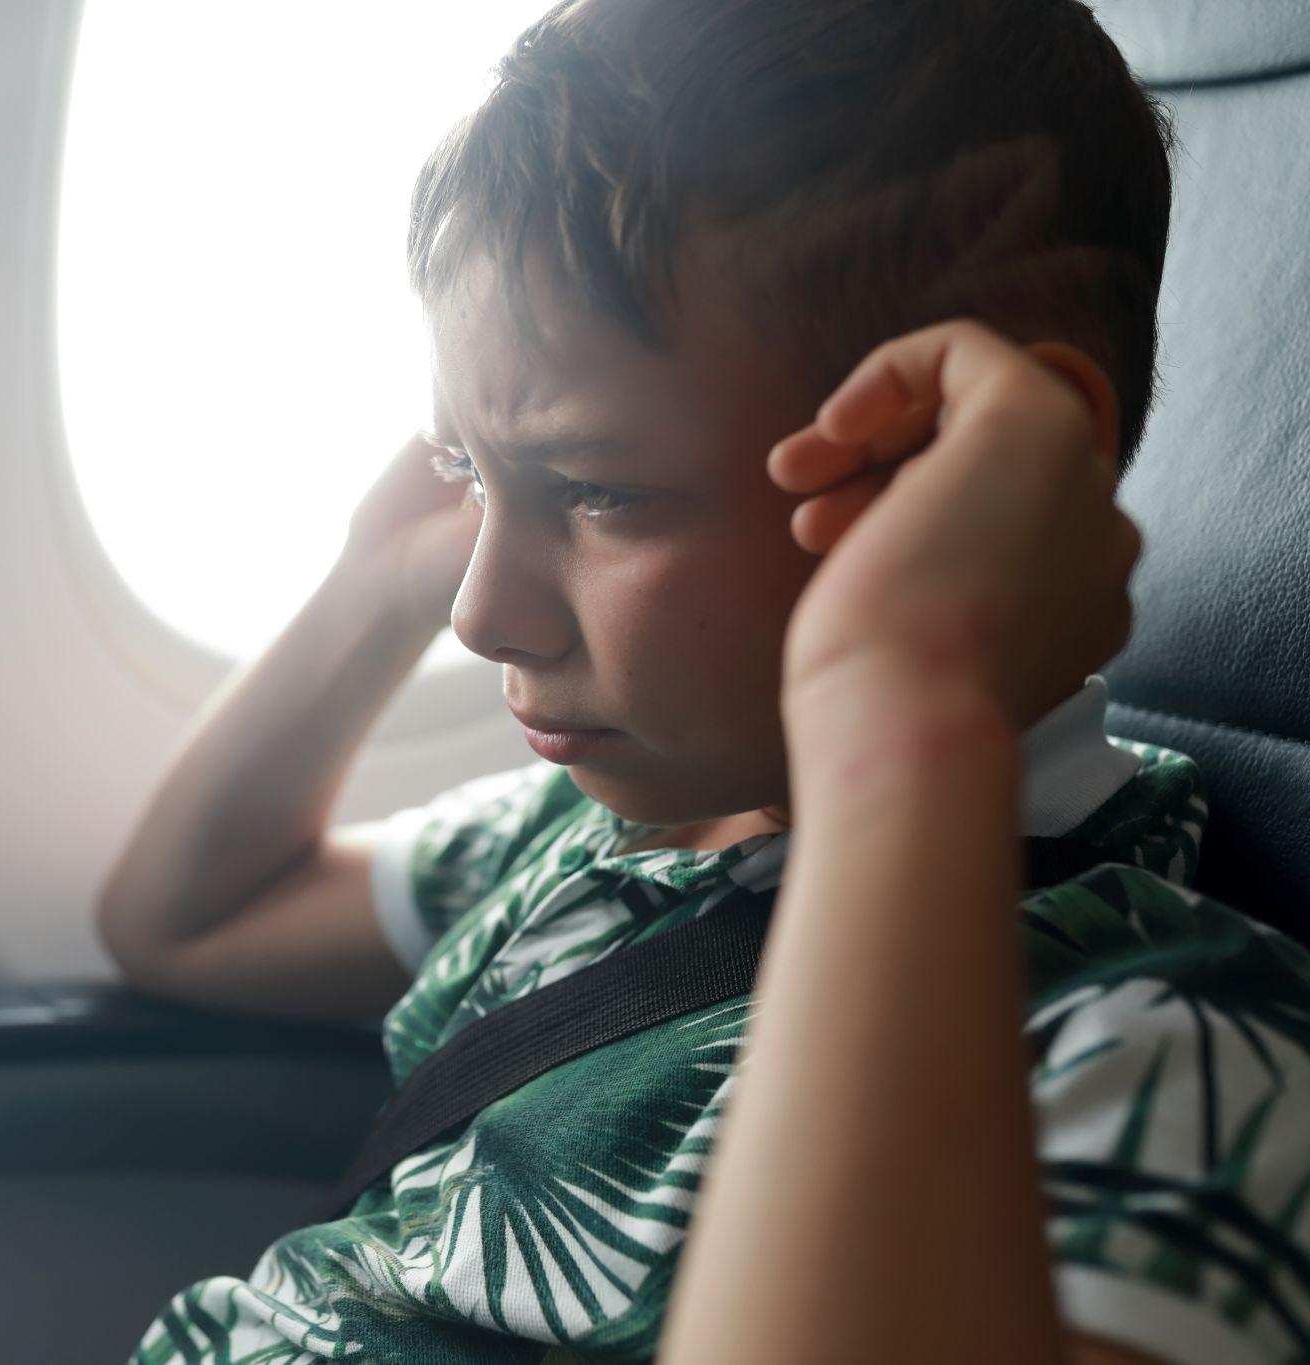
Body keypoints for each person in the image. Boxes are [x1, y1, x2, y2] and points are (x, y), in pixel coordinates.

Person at [97, 1, 1310, 1360]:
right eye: (469, 471)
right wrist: (374, 578)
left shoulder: (1169, 1059)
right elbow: (186, 920)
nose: (483, 613)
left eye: (600, 490)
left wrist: (905, 712)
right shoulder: (621, 829)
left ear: (962, 454)